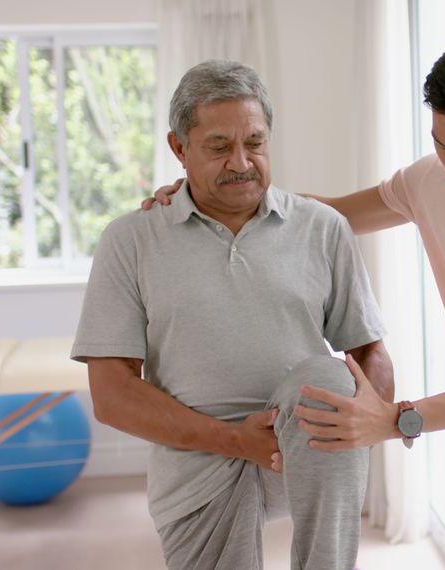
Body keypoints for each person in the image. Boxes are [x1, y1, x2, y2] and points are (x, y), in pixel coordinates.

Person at [147, 35, 445, 570]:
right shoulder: (434, 178)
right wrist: (206, 188)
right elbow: (329, 215)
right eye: (443, 144)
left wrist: (400, 419)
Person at [74, 59, 393, 570]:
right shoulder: (131, 240)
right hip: (199, 465)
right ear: (180, 148)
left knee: (328, 376)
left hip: (301, 453)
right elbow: (112, 395)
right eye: (219, 147)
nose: (241, 162)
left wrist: (373, 422)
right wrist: (235, 442)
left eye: (256, 143)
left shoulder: (322, 228)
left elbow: (370, 352)